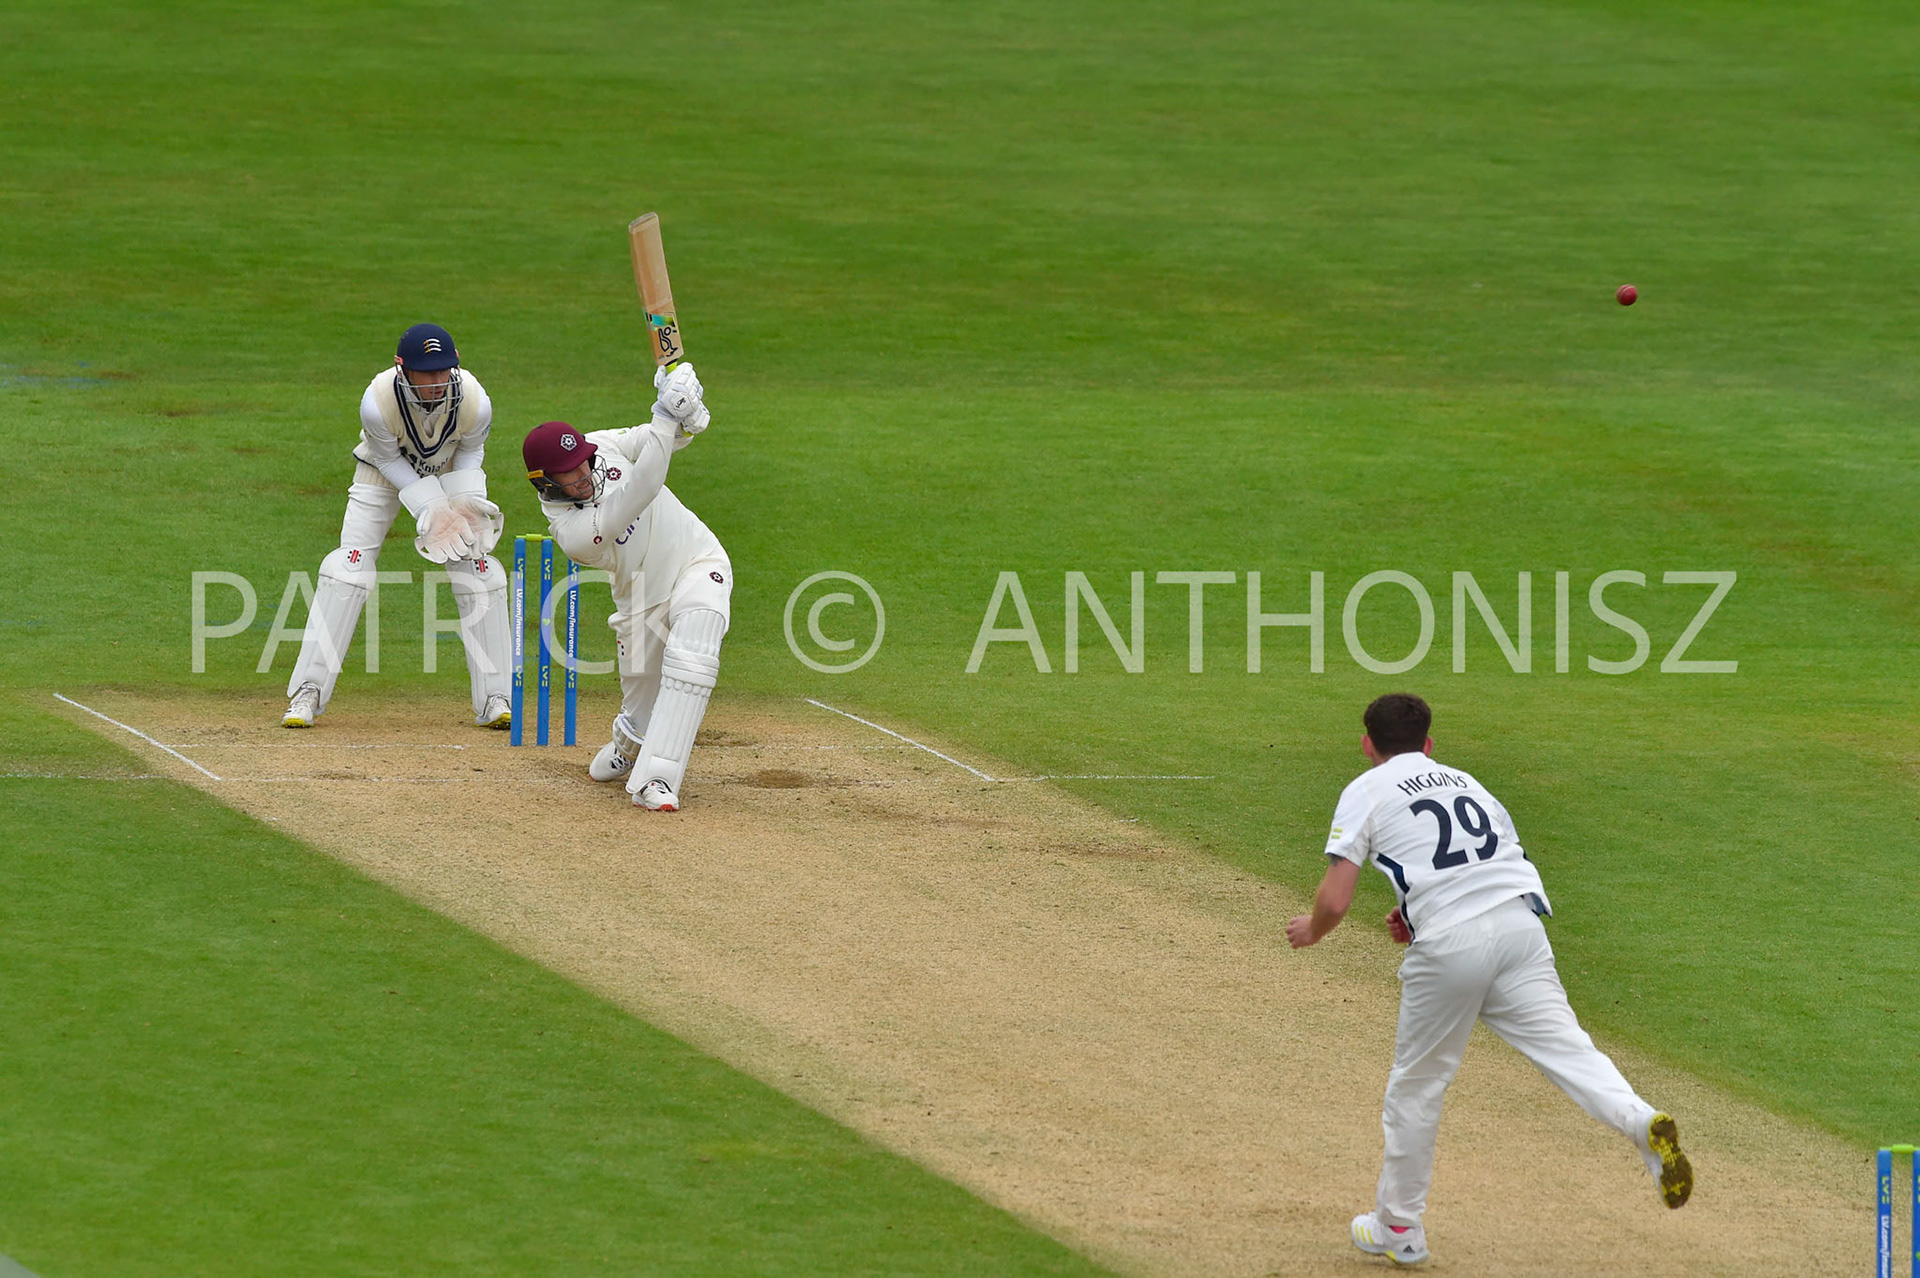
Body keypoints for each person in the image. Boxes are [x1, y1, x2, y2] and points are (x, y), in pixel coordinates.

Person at [1286, 693, 1690, 1267]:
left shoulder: (1365, 789)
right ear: (1429, 744)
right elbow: (1491, 859)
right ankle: (1642, 1122)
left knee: (1418, 1084)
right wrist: (1412, 912)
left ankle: (1399, 1226)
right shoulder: (1467, 782)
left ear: (1367, 744)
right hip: (1518, 925)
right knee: (1570, 1050)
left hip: (1452, 944)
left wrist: (1315, 929)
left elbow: (1336, 897)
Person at [283, 323, 514, 730]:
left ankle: (496, 697)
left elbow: (471, 451)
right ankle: (308, 691)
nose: (437, 381)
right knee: (347, 570)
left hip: (449, 474)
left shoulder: (475, 402)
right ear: (402, 368)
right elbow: (389, 460)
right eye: (427, 373)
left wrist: (461, 503)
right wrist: (430, 507)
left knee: (481, 572)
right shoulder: (377, 402)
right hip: (380, 475)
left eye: (444, 371)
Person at [522, 361, 729, 811]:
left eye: (582, 463)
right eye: (568, 474)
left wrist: (687, 415)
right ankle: (630, 741)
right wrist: (664, 409)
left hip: (697, 559)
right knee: (642, 704)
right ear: (544, 483)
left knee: (696, 645)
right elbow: (645, 483)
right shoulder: (573, 532)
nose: (581, 474)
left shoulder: (598, 445)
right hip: (640, 600)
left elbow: (660, 440)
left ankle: (657, 779)